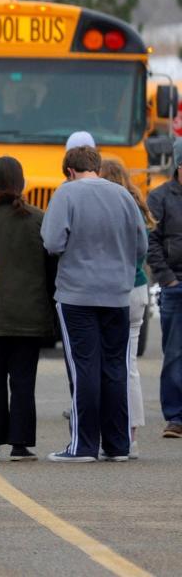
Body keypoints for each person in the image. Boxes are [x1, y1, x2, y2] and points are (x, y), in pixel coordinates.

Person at [42, 146, 146, 462]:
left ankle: (83, 444)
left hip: (78, 294)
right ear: (96, 167)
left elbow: (52, 241)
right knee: (116, 367)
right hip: (117, 293)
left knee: (84, 366)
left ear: (69, 171)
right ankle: (118, 444)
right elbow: (141, 243)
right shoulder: (123, 195)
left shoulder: (66, 194)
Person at [0, 157, 54, 461]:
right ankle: (21, 444)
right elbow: (51, 267)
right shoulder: (38, 219)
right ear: (22, 182)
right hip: (29, 315)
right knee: (23, 381)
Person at [100, 159, 153, 456]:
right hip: (138, 286)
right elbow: (142, 248)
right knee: (129, 365)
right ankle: (131, 433)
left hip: (112, 289)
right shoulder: (135, 203)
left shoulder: (106, 208)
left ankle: (110, 431)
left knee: (107, 364)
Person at [145, 138, 182, 439]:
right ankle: (176, 417)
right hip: (175, 286)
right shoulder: (159, 197)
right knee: (174, 353)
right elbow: (151, 240)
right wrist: (168, 277)